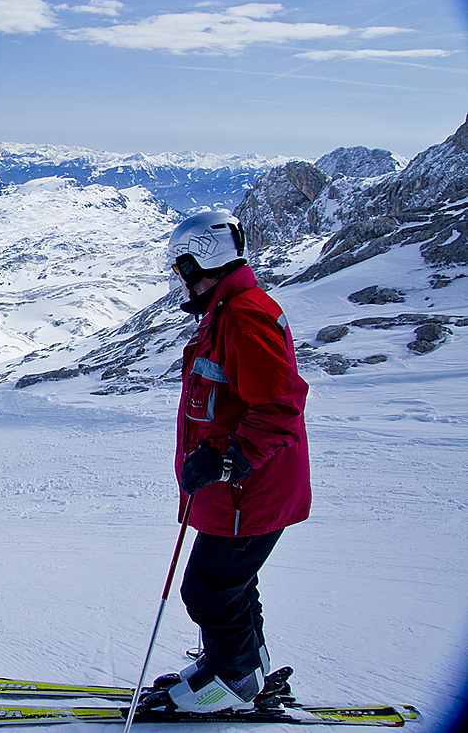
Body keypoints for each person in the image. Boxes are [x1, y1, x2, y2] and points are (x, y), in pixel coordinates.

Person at [163, 210, 311, 713]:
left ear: (203, 261)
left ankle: (232, 684)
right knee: (229, 585)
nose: (180, 283)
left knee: (207, 590)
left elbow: (279, 407)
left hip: (250, 491)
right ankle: (245, 669)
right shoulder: (230, 310)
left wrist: (228, 460)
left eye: (182, 270)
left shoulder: (244, 317)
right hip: (244, 490)